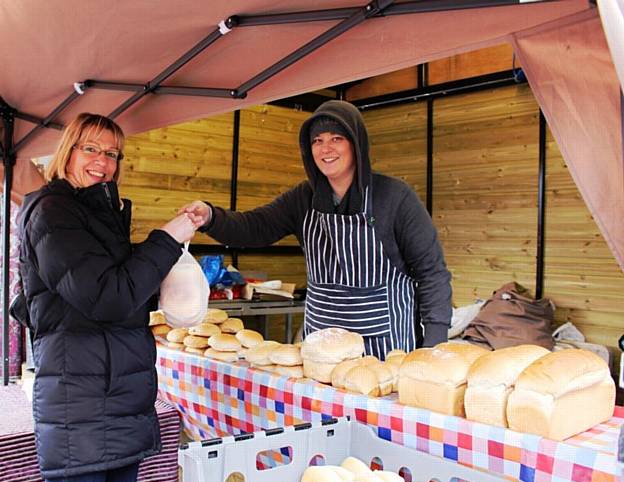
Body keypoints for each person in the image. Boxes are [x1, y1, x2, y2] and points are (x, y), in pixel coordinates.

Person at [17, 113, 199, 482]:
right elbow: (107, 297)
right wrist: (167, 238)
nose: (102, 161)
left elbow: (116, 295)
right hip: (80, 403)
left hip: (116, 398)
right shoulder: (53, 212)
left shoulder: (99, 214)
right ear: (68, 151)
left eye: (112, 153)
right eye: (91, 149)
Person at [183, 100, 451, 357]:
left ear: (356, 144)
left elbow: (432, 273)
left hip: (385, 346)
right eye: (317, 140)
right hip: (321, 346)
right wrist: (210, 216)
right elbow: (256, 227)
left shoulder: (394, 197)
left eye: (337, 138)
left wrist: (434, 343)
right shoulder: (303, 198)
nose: (326, 148)